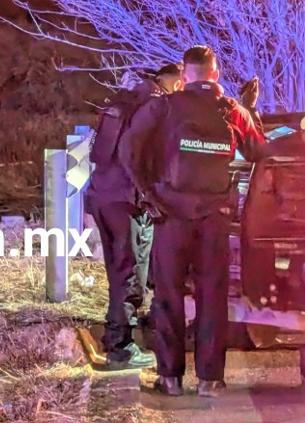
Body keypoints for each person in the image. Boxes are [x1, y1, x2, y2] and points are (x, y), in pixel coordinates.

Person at [119, 46, 266, 397]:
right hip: (214, 219)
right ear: (215, 74)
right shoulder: (233, 110)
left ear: (185, 75)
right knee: (212, 297)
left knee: (168, 296)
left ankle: (170, 379)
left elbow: (128, 150)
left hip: (170, 215)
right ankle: (210, 380)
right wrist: (250, 109)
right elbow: (258, 152)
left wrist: (149, 196)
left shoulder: (164, 107)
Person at [85, 63, 183, 370]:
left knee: (119, 270)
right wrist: (149, 195)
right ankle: (121, 348)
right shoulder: (154, 106)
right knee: (132, 273)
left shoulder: (125, 100)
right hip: (128, 201)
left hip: (102, 196)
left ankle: (115, 336)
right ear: (176, 82)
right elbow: (139, 155)